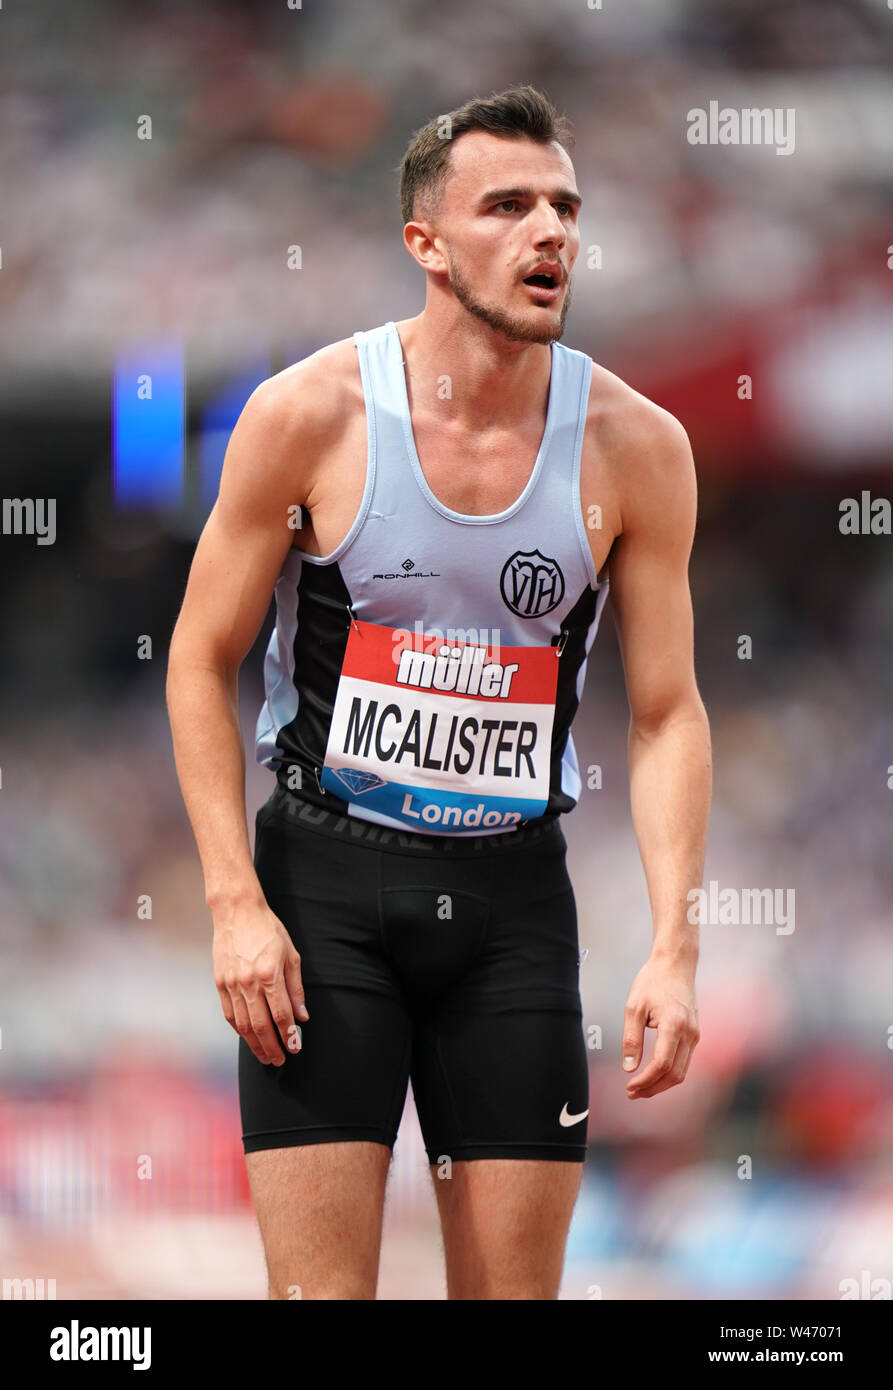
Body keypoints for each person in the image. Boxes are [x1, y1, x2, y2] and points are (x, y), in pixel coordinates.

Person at [166, 84, 711, 1301]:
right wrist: (232, 903)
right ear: (424, 243)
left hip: (513, 904)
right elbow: (198, 661)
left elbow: (669, 709)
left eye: (564, 206)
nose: (549, 232)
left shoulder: (638, 445)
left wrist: (674, 943)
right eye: (508, 205)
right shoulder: (308, 415)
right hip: (322, 896)